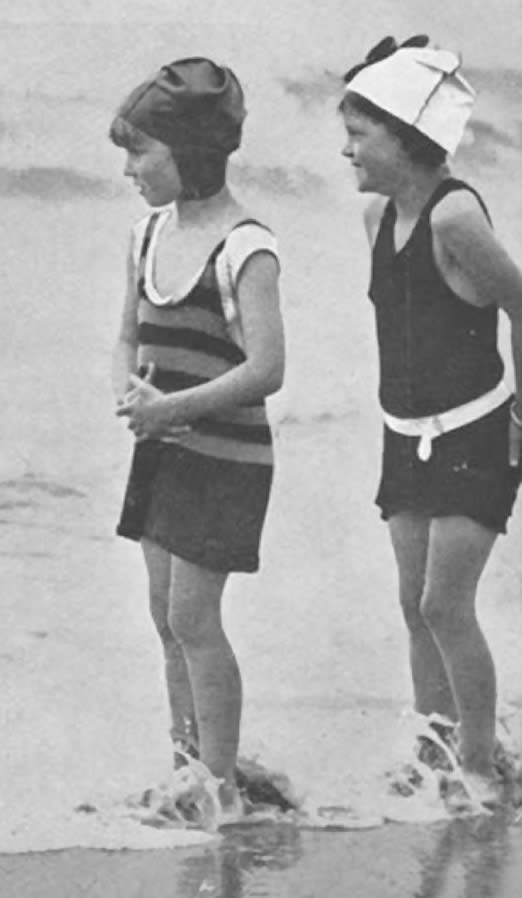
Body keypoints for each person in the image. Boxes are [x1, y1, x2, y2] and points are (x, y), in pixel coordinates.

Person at [339, 36, 522, 806]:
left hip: (477, 431)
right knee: (413, 605)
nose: (346, 151)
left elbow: (520, 299)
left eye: (359, 135)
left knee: (446, 605)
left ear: (410, 136)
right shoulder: (378, 214)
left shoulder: (454, 218)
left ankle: (478, 772)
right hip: (402, 432)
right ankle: (437, 748)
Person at [109, 58, 287, 823]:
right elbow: (125, 336)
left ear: (191, 152)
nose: (129, 169)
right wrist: (131, 392)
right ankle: (186, 765)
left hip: (226, 459)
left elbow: (269, 368)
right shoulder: (147, 232)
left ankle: (216, 785)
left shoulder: (246, 245)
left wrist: (174, 408)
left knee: (193, 618)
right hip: (162, 449)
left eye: (141, 153)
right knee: (162, 613)